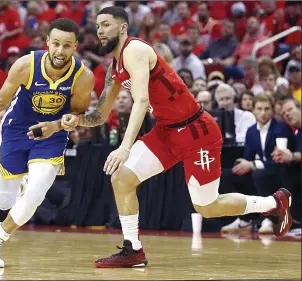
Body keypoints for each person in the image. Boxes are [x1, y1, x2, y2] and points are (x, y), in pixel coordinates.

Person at [32, 7, 293, 268]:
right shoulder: (114, 68)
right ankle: (133, 249)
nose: (100, 30)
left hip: (196, 132)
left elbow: (142, 100)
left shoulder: (134, 50)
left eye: (106, 24)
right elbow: (100, 114)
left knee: (207, 206)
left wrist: (124, 147)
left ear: (122, 28)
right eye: (97, 26)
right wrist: (65, 122)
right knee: (121, 179)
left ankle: (273, 202)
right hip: (167, 131)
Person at [0, 18, 94, 267]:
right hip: (15, 130)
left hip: (50, 135)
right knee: (5, 202)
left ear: (75, 47)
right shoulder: (26, 65)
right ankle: (18, 179)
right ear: (47, 43)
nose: (60, 51)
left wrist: (67, 122)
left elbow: (77, 114)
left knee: (36, 191)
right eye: (56, 44)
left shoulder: (83, 77)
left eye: (66, 46)